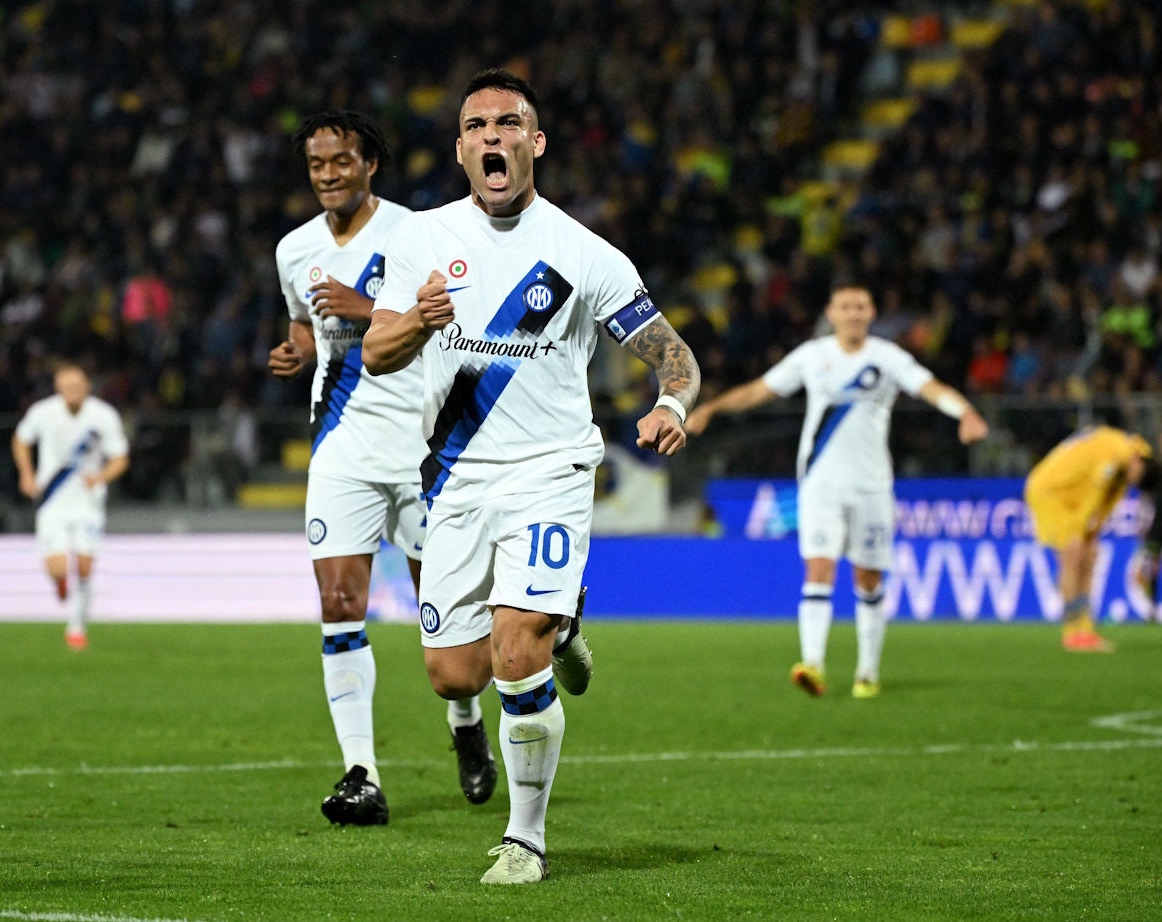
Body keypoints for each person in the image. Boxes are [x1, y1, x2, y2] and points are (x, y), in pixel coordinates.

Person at [363, 69, 700, 884]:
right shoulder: (418, 240)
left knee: (517, 656)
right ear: (460, 149)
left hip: (550, 472)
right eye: (476, 125)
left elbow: (675, 356)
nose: (492, 136)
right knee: (456, 671)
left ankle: (526, 838)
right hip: (453, 482)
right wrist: (417, 318)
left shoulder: (584, 252)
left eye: (508, 123)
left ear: (534, 142)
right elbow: (376, 352)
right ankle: (568, 620)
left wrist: (672, 407)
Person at [269, 109, 494, 828]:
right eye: (316, 165)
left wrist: (366, 309)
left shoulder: (416, 233)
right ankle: (361, 773)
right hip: (341, 448)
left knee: (447, 626)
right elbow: (306, 322)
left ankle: (465, 723)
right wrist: (299, 349)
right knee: (339, 606)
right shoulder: (293, 250)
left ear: (371, 165)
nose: (328, 175)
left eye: (341, 162)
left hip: (422, 447)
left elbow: (446, 317)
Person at [686, 286, 988, 698]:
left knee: (867, 577)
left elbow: (930, 388)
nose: (852, 313)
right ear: (831, 312)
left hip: (872, 485)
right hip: (820, 484)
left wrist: (965, 411)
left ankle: (867, 670)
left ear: (871, 312)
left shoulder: (887, 357)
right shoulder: (813, 355)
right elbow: (760, 389)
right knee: (819, 568)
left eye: (860, 306)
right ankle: (812, 663)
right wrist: (711, 408)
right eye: (845, 307)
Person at [11, 363, 129, 650]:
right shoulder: (43, 412)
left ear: (88, 386)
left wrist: (101, 477)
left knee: (85, 564)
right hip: (52, 499)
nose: (72, 392)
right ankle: (61, 583)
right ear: (58, 387)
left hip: (88, 500)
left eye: (77, 386)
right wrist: (26, 474)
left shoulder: (103, 416)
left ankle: (77, 626)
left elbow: (120, 457)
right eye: (66, 386)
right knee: (58, 568)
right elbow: (20, 440)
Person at [1024, 426, 1160, 652]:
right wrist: (1081, 530)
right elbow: (1094, 495)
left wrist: (1092, 533)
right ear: (1139, 461)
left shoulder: (1127, 457)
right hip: (1050, 492)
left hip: (1070, 495)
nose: (1131, 480)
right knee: (1073, 553)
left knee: (1090, 553)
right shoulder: (1115, 455)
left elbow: (1108, 500)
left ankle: (1085, 628)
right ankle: (1071, 631)